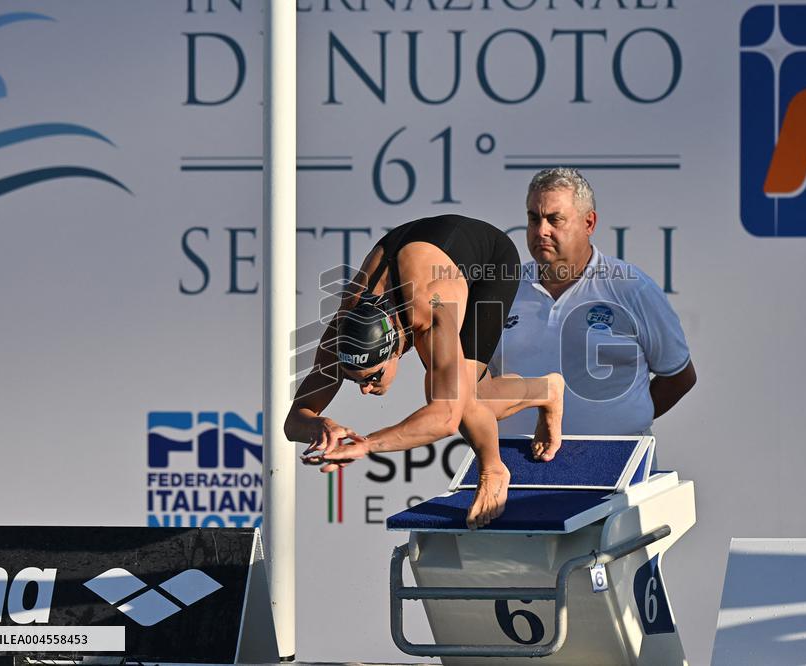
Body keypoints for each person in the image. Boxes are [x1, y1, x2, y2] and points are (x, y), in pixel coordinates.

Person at [284, 214, 564, 529]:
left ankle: (493, 470)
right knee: (473, 394)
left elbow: (446, 418)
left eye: (373, 376)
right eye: (354, 378)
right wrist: (320, 425)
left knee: (466, 399)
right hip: (420, 249)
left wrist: (367, 444)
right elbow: (293, 421)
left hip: (489, 261)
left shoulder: (429, 314)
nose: (365, 389)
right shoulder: (343, 330)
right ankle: (547, 390)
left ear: (394, 350)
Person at [488, 168, 696, 461]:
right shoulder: (504, 290)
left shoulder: (630, 288)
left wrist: (620, 425)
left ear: (589, 223)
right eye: (534, 219)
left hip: (616, 467)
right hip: (518, 464)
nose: (541, 230)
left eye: (555, 219)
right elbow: (480, 382)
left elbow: (679, 376)